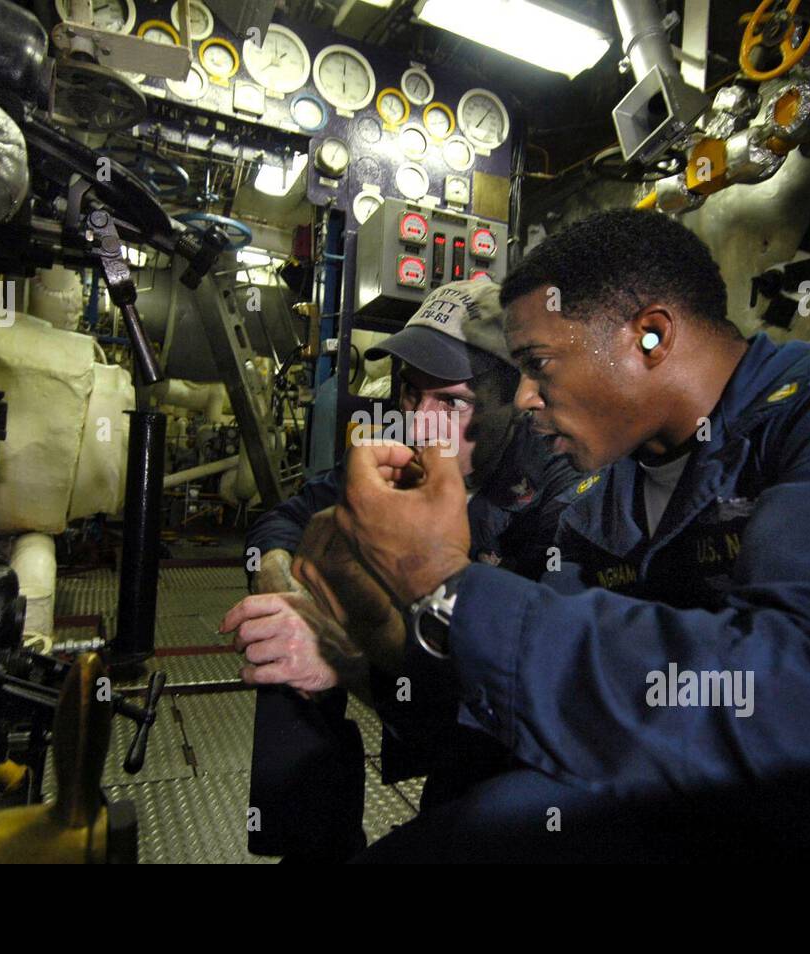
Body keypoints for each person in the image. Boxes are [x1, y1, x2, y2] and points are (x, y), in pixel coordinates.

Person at [332, 208, 810, 863]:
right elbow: (567, 698)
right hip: (714, 808)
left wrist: (440, 577)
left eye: (538, 365)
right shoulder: (600, 501)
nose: (524, 398)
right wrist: (378, 622)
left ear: (651, 336)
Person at [225, 279, 577, 862]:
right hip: (416, 676)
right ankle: (313, 848)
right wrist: (278, 574)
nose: (420, 424)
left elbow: (516, 697)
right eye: (412, 394)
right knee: (284, 631)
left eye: (453, 402)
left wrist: (344, 658)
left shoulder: (558, 493)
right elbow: (286, 517)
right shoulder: (395, 441)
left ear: (512, 400)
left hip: (509, 740)